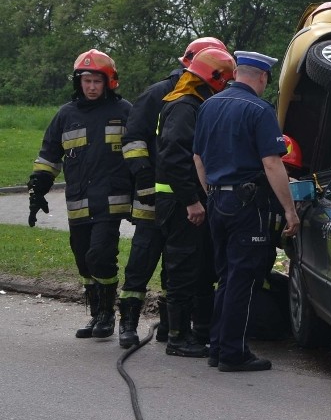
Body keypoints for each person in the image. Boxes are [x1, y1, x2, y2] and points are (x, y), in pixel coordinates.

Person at [117, 37, 227, 348]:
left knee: (180, 261)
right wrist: (144, 181)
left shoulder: (201, 98)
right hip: (154, 192)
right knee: (142, 259)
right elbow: (134, 141)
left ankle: (170, 326)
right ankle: (128, 324)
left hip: (179, 192)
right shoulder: (161, 94)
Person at [193, 50, 300, 372]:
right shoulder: (259, 109)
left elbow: (198, 158)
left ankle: (217, 346)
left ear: (237, 73)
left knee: (226, 276)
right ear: (263, 77)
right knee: (242, 279)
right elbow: (271, 162)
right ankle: (233, 353)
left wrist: (211, 193)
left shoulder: (209, 105)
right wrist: (290, 211)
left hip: (218, 202)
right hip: (246, 206)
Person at [28, 49, 133, 339]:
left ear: (109, 82)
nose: (91, 87)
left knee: (100, 255)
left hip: (111, 202)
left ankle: (108, 315)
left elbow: (140, 154)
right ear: (78, 82)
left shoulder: (124, 111)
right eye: (86, 81)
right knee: (83, 260)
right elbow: (49, 155)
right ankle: (97, 311)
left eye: (97, 81)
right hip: (78, 201)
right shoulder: (66, 115)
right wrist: (38, 189)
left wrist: (143, 193)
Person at [156, 46, 236, 357]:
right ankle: (177, 338)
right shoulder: (185, 107)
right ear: (213, 79)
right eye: (223, 81)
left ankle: (199, 331)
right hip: (180, 204)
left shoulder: (191, 104)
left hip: (187, 200)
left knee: (200, 267)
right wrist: (191, 201)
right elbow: (176, 158)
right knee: (184, 267)